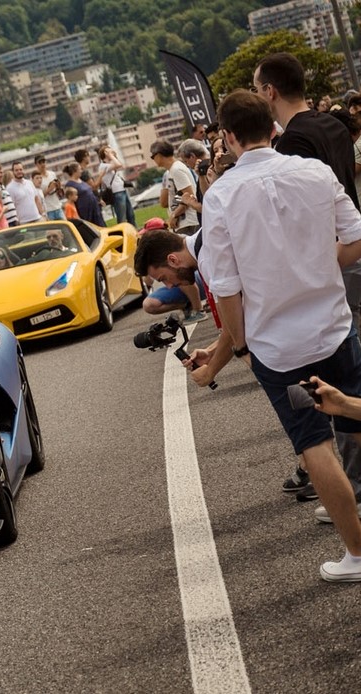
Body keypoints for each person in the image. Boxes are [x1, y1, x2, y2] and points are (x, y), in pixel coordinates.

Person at [196, 90, 361, 581]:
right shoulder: (314, 172)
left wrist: (239, 346)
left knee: (315, 443)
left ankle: (356, 552)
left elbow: (224, 289)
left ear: (226, 138)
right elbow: (354, 238)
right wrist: (317, 268)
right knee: (354, 420)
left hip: (278, 348)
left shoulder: (221, 195)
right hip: (334, 325)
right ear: (273, 126)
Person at [97, 146, 133, 224]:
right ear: (105, 153)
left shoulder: (109, 164)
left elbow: (121, 165)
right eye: (109, 150)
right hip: (117, 193)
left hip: (121, 190)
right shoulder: (103, 166)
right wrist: (111, 156)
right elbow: (118, 165)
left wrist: (113, 156)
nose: (112, 150)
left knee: (131, 215)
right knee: (122, 217)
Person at [36, 155, 65, 220]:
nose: (42, 164)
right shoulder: (37, 178)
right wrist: (49, 189)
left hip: (58, 206)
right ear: (36, 165)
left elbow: (59, 192)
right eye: (40, 163)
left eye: (43, 162)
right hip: (48, 210)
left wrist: (58, 186)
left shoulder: (52, 174)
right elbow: (38, 197)